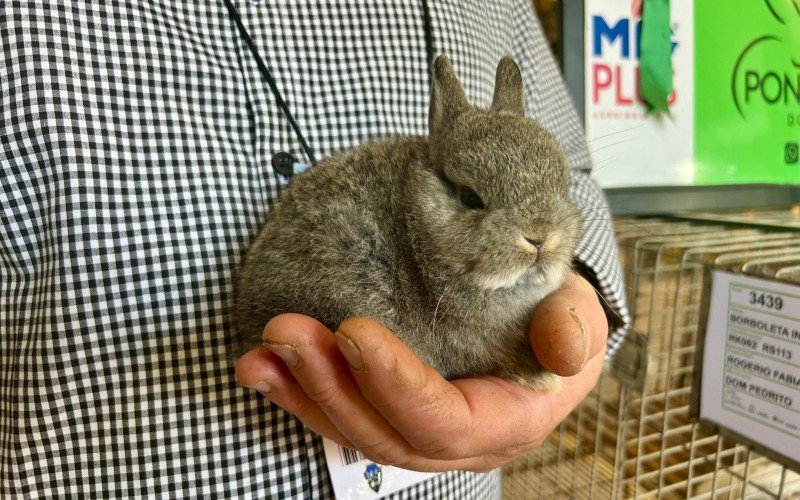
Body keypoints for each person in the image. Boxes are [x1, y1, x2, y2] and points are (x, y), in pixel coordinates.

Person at [1, 0, 627, 497]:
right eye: (469, 198)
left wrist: (580, 316)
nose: (536, 234)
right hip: (150, 455)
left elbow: (577, 173)